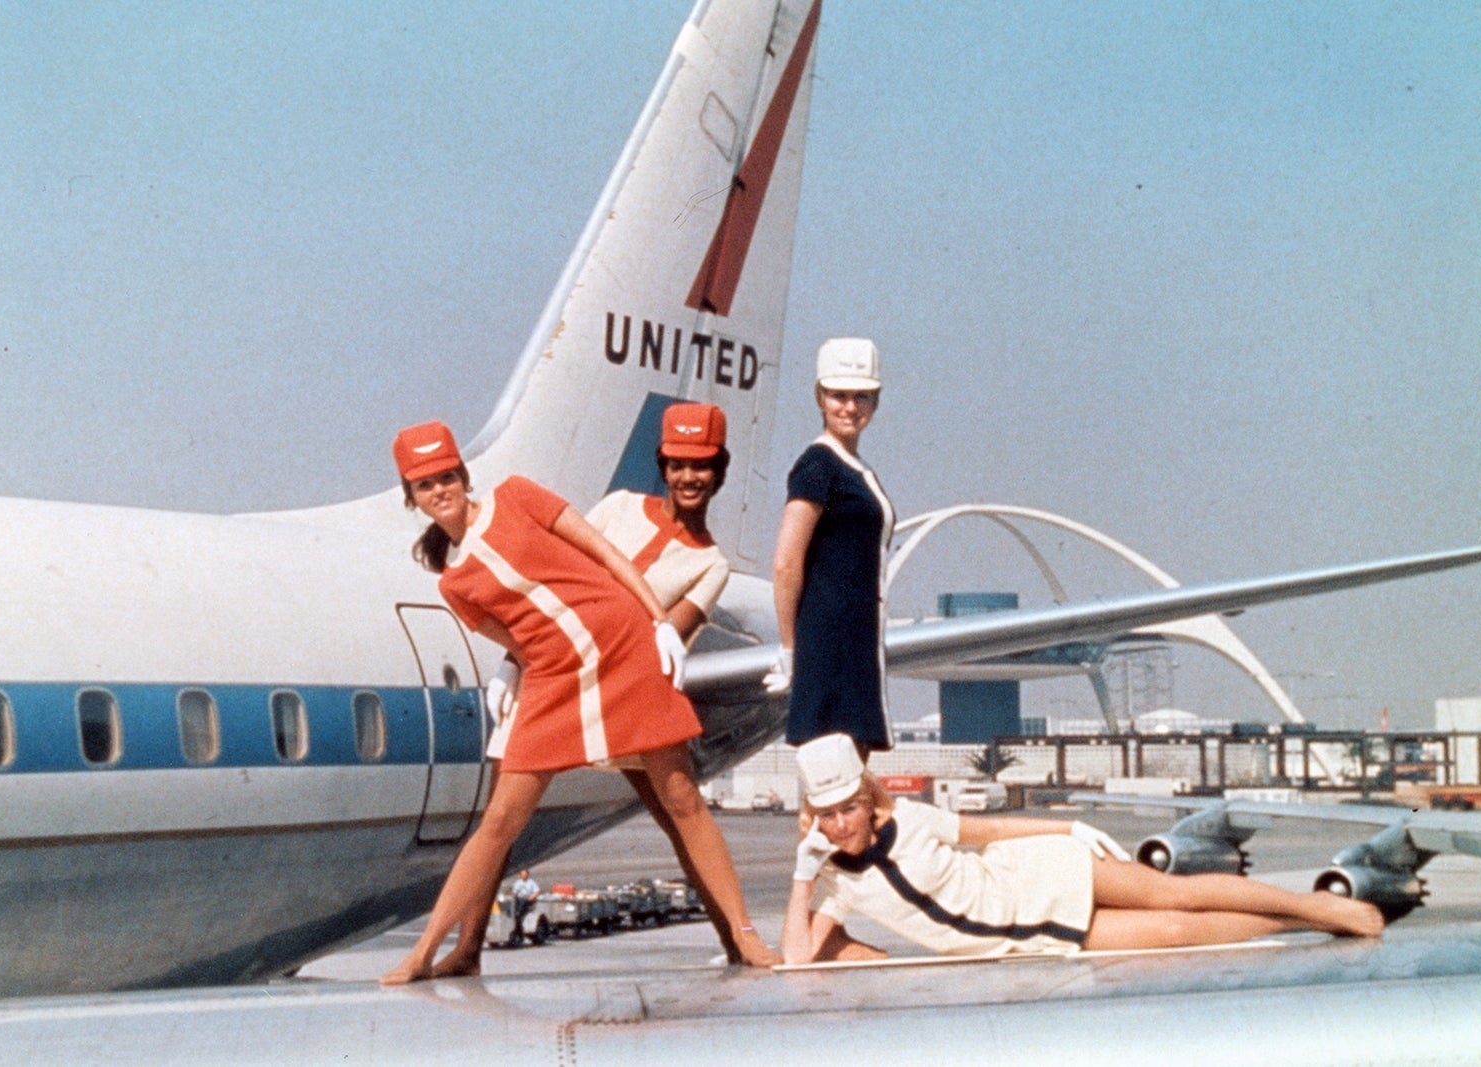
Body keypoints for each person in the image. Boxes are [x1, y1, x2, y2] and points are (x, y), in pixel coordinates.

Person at [380, 419, 778, 984]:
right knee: (498, 822)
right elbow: (513, 638)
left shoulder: (517, 494)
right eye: (425, 484)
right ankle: (427, 952)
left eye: (447, 476)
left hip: (627, 656)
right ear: (412, 497)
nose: (440, 490)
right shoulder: (453, 583)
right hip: (555, 679)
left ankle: (744, 935)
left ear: (464, 476)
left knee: (681, 800)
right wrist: (510, 669)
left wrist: (658, 621)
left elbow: (604, 557)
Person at [780, 734, 1385, 964]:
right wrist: (804, 878)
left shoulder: (910, 817)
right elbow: (798, 958)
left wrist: (1066, 830)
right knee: (1177, 932)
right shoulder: (835, 880)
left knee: (1178, 892)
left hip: (1041, 873)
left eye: (848, 809)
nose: (840, 825)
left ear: (868, 799)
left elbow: (987, 833)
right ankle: (1295, 920)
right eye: (826, 815)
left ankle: (1319, 909)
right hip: (1030, 933)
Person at [765, 338, 895, 755]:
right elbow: (787, 563)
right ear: (819, 397)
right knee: (832, 783)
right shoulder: (819, 465)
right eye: (839, 395)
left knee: (849, 783)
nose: (850, 407)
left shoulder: (852, 467)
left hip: (855, 646)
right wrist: (791, 651)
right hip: (829, 649)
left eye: (862, 397)